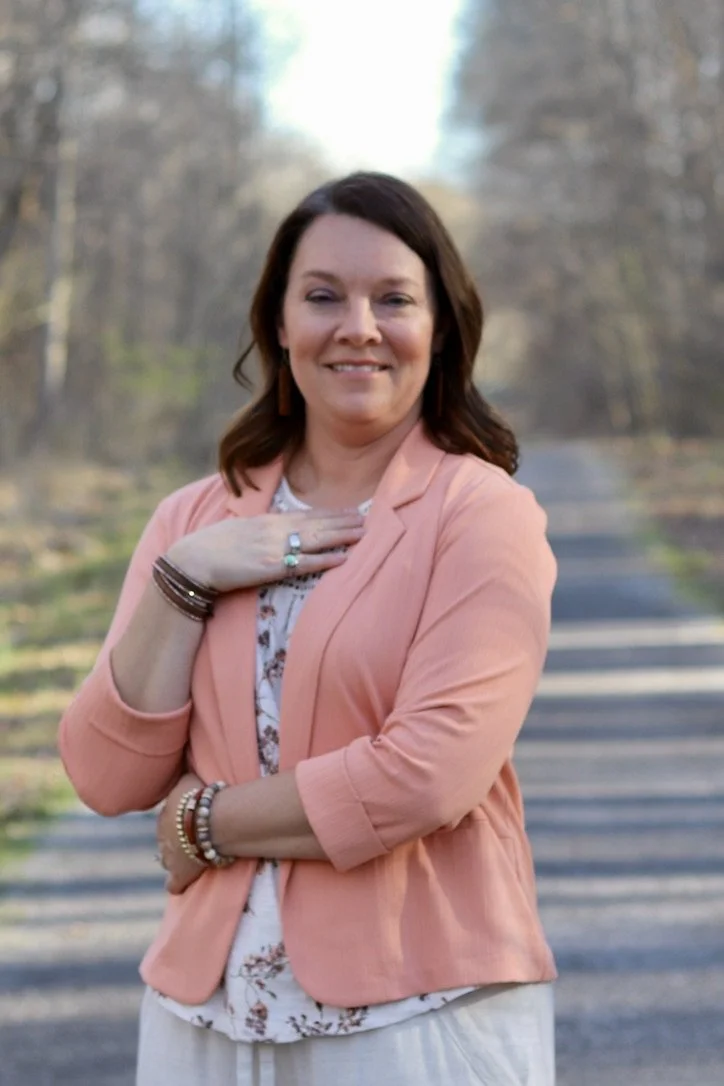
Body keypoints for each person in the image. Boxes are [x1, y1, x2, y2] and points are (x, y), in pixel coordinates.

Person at [59, 171, 558, 1086]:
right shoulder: (190, 522)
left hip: (419, 1012)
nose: (358, 326)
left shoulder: (483, 515)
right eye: (323, 295)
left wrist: (204, 821)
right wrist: (186, 582)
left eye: (393, 298)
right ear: (279, 325)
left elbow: (430, 773)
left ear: (439, 328)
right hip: (201, 1015)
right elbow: (103, 773)